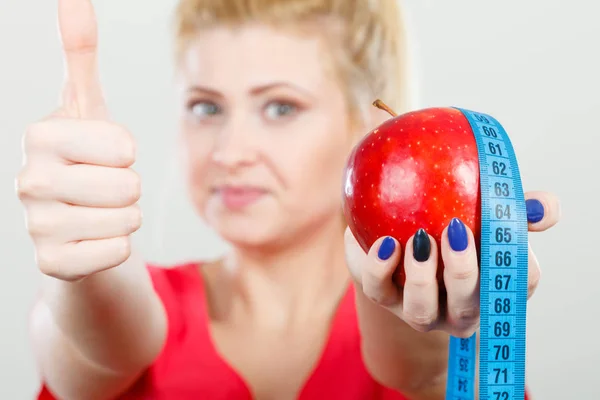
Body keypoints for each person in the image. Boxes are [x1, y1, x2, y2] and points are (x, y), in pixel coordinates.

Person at [16, 0, 560, 399]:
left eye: (280, 108)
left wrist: (444, 325)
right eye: (207, 108)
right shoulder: (142, 307)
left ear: (368, 123)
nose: (231, 151)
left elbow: (425, 371)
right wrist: (83, 255)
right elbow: (88, 346)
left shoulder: (415, 317)